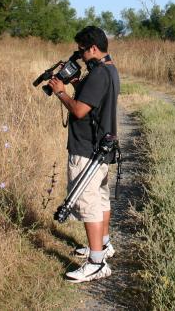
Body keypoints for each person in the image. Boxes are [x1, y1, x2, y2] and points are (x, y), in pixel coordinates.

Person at [47, 25, 120, 283]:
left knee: (88, 204)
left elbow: (79, 111)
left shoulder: (98, 74)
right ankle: (103, 246)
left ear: (93, 48)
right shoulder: (109, 69)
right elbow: (95, 102)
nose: (79, 54)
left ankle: (96, 263)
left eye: (81, 49)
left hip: (87, 149)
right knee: (100, 201)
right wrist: (79, 83)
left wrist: (61, 93)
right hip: (102, 148)